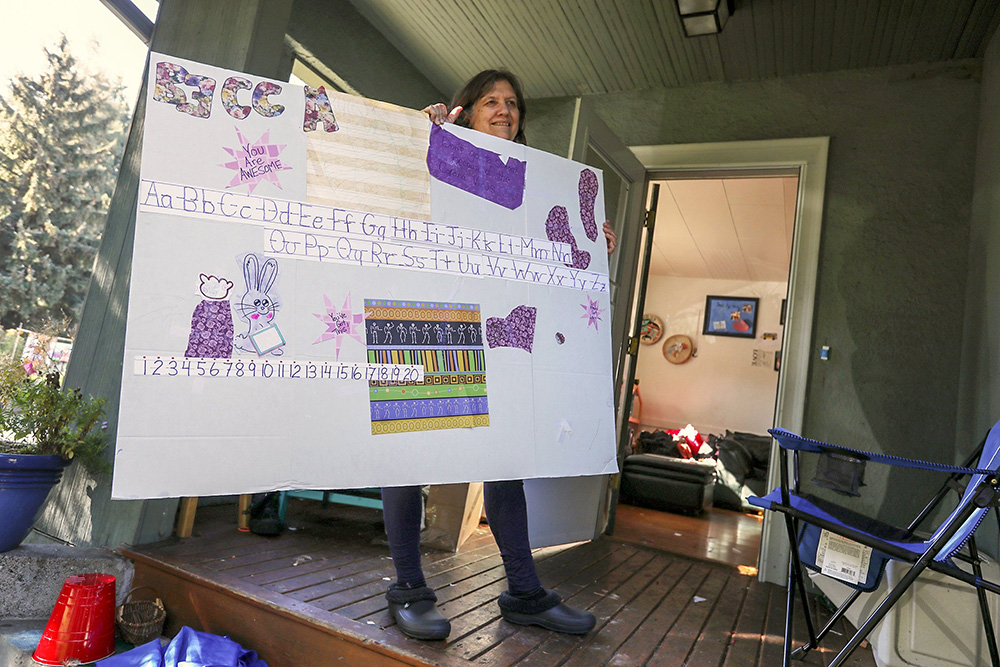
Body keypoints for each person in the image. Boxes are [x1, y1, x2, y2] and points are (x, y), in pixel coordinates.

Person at [382, 69, 617, 641]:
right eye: (492, 100)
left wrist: (591, 244)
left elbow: (553, 263)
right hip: (430, 322)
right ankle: (409, 589)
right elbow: (390, 193)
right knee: (405, 457)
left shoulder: (538, 184)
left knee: (504, 462)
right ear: (467, 108)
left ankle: (524, 592)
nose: (505, 109)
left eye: (513, 102)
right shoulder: (435, 149)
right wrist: (423, 133)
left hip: (502, 332)